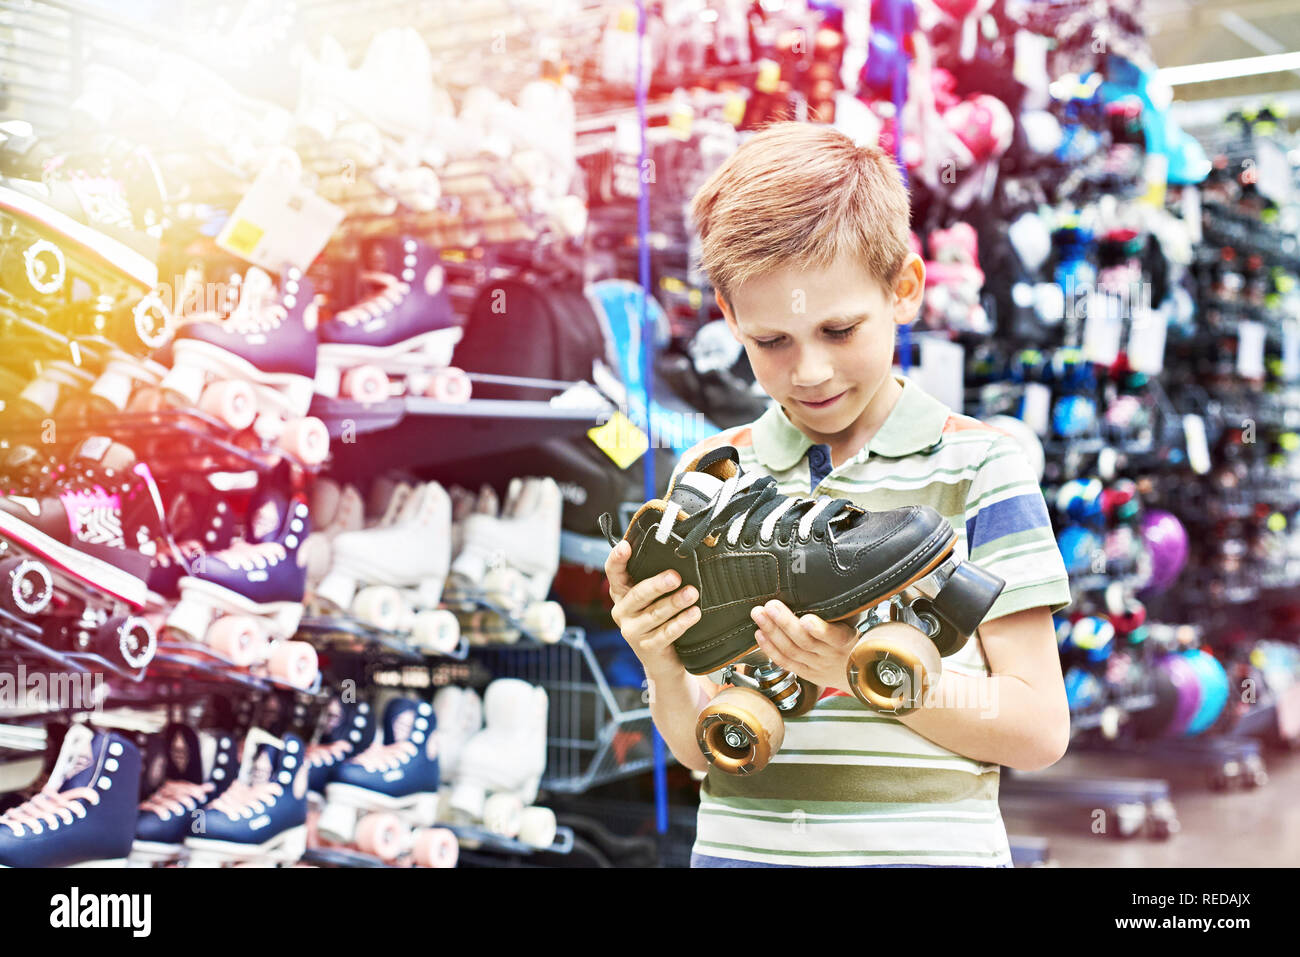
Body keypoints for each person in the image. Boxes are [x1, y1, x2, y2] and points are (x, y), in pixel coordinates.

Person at [604, 122, 1071, 867]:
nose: (811, 371)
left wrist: (860, 673)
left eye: (839, 328)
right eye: (773, 341)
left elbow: (1039, 728)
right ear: (729, 318)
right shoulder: (714, 472)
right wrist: (659, 656)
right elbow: (702, 751)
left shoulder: (981, 465)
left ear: (904, 289)